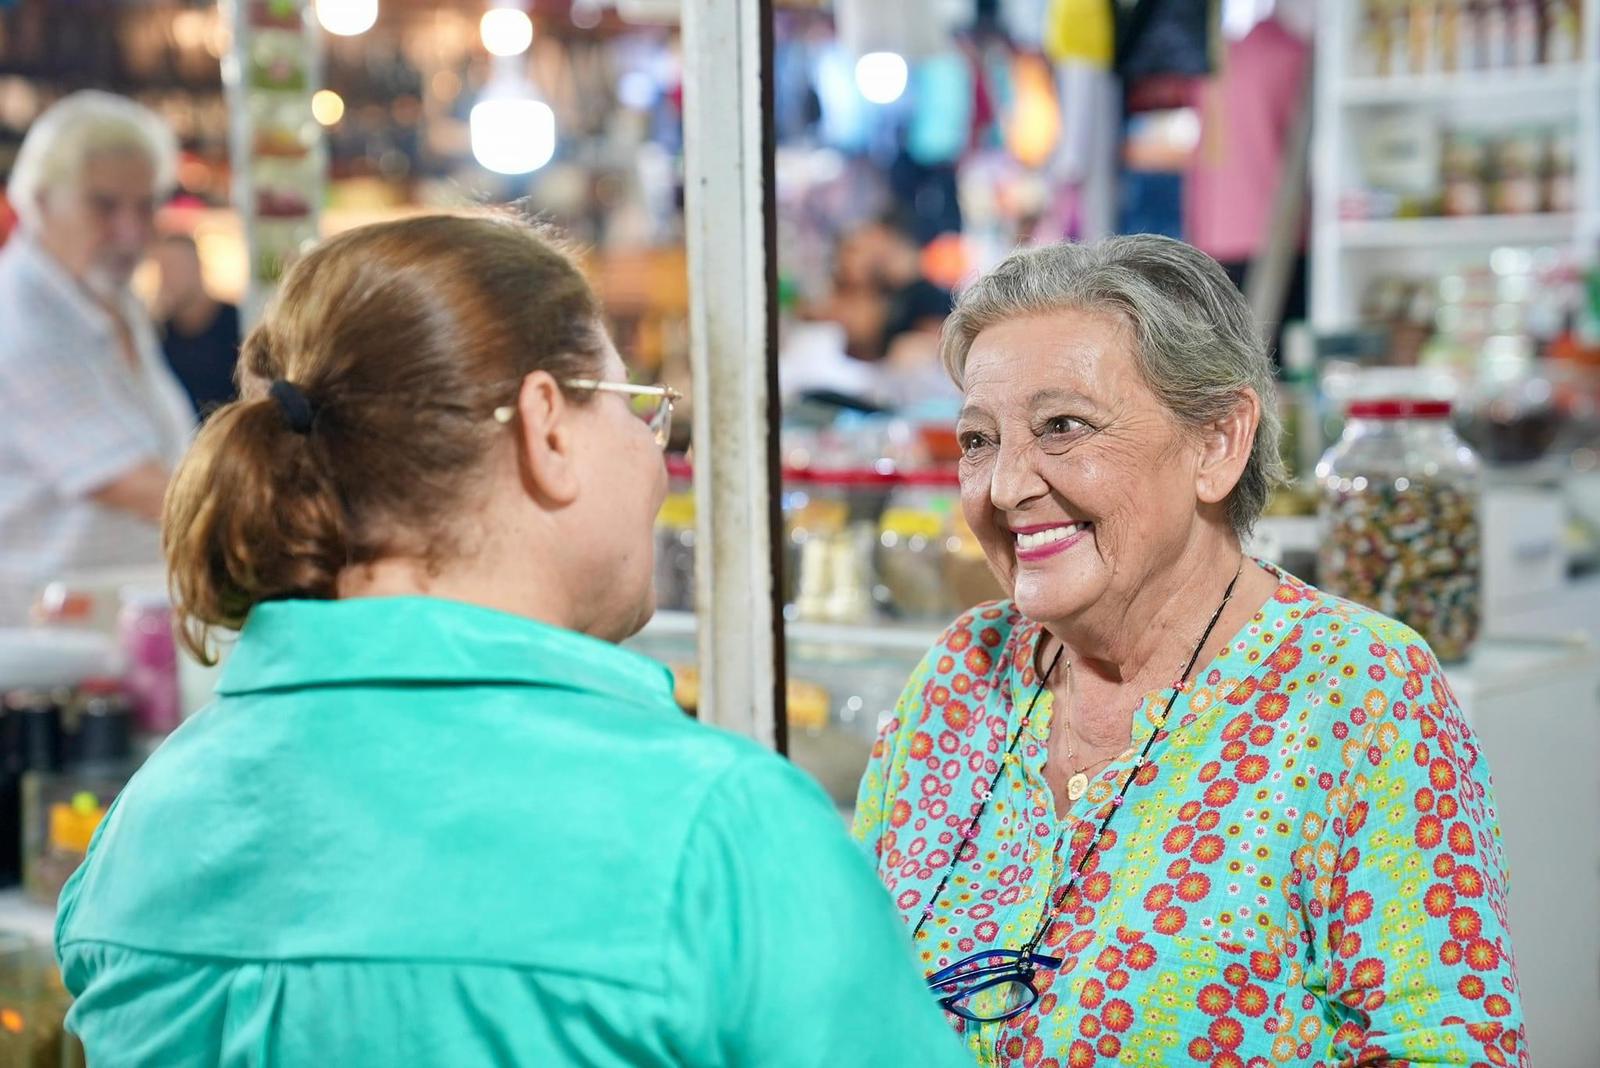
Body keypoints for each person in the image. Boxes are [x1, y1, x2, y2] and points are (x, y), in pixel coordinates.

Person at [55, 214, 973, 1068]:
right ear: (545, 428)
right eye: (635, 406)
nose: (656, 456)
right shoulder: (720, 833)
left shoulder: (144, 828)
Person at [853, 235, 1526, 1066]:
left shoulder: (1359, 694)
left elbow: (1449, 1051)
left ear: (1217, 443)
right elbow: (855, 980)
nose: (1004, 487)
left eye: (1063, 427)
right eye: (978, 440)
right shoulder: (962, 672)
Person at [0, 91, 194, 624]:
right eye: (104, 205)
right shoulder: (18, 316)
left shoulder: (109, 298)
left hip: (117, 627)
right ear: (37, 201)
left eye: (147, 204)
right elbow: (135, 485)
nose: (132, 232)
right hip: (39, 648)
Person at [151, 232, 240, 417]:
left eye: (175, 268)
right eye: (163, 270)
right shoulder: (159, 336)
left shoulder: (237, 323)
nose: (168, 279)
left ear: (197, 267)